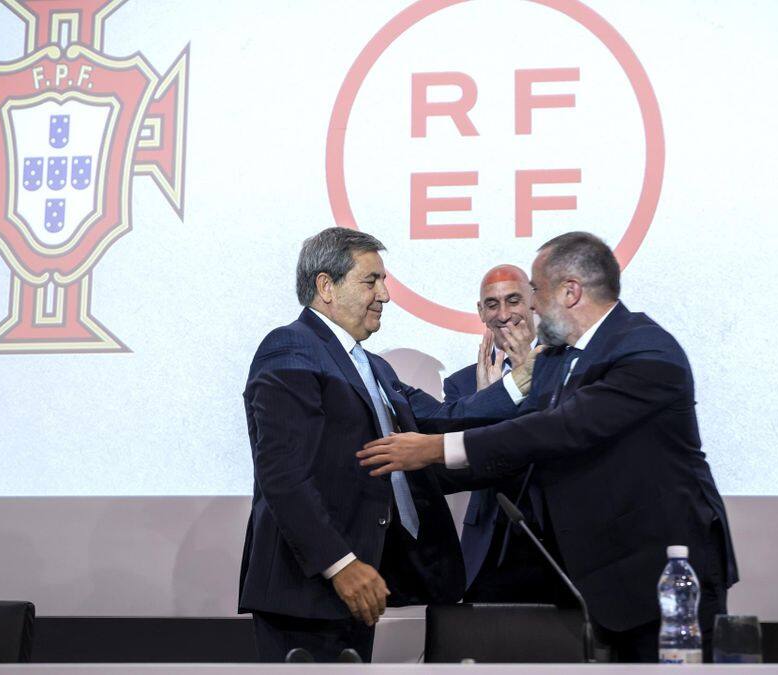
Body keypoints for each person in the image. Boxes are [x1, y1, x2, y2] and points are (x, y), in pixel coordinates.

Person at [358, 232, 739, 662]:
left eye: (536, 291)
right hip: (605, 577)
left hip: (663, 571)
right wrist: (411, 473)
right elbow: (519, 446)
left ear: (570, 291)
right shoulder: (558, 360)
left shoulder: (645, 350)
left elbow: (561, 429)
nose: (533, 306)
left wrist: (438, 448)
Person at [238, 227, 535, 662]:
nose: (385, 295)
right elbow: (282, 473)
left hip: (359, 587)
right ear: (326, 286)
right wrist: (340, 563)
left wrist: (519, 382)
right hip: (309, 590)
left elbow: (439, 420)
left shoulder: (372, 366)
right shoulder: (290, 348)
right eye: (371, 281)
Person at [440, 265, 572, 606]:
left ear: (533, 302)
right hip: (490, 545)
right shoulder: (463, 385)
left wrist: (534, 379)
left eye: (513, 300)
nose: (503, 315)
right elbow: (459, 468)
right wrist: (488, 402)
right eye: (492, 304)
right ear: (480, 312)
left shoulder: (569, 366)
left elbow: (562, 442)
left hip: (559, 539)